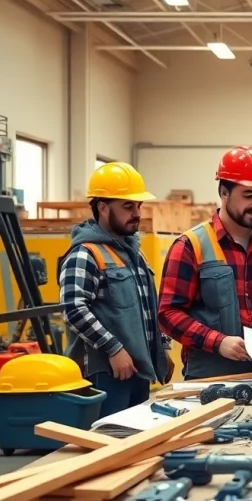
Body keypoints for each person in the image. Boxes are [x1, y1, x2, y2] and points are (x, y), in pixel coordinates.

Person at [158, 147, 252, 380]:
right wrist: (218, 342)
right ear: (224, 193)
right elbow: (168, 314)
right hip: (210, 377)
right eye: (248, 195)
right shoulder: (191, 246)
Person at [61, 162, 170, 418]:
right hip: (106, 373)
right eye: (128, 206)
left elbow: (148, 305)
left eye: (139, 206)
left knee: (135, 442)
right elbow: (73, 309)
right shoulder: (85, 254)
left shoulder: (134, 254)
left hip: (138, 370)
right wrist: (113, 349)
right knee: (109, 442)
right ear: (102, 207)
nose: (137, 213)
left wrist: (161, 349)